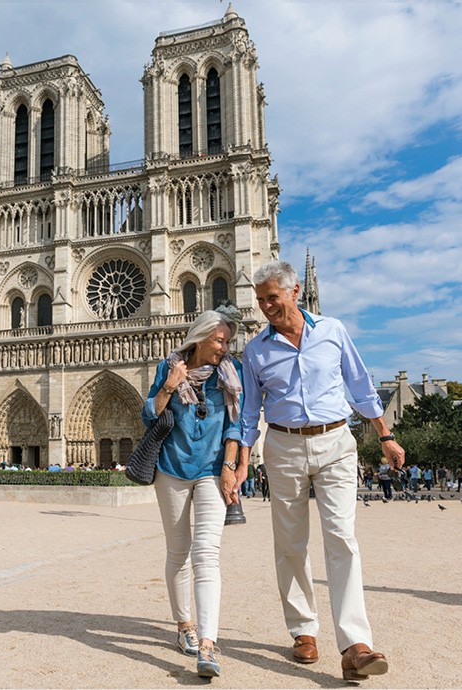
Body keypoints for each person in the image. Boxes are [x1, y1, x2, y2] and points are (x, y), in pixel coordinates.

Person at [240, 261, 405, 681]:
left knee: (342, 539)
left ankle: (355, 644)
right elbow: (248, 411)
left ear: (295, 291)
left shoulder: (332, 330)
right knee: (291, 543)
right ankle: (303, 631)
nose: (264, 307)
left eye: (271, 298)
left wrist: (385, 435)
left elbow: (360, 383)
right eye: (260, 300)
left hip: (335, 441)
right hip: (282, 443)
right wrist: (239, 460)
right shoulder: (255, 349)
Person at [142, 310, 243, 678]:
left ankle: (207, 644)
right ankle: (184, 625)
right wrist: (170, 386)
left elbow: (236, 426)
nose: (225, 347)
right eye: (220, 341)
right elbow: (148, 415)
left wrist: (230, 468)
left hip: (212, 471)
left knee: (207, 555)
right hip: (171, 470)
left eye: (227, 341)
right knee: (178, 551)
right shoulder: (169, 367)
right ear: (199, 338)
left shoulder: (230, 375)